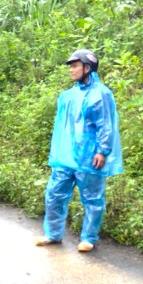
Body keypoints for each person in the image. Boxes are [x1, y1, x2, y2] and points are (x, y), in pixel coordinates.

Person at [34, 49, 123, 253]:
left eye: (75, 66)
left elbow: (105, 125)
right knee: (54, 194)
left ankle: (88, 238)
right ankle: (52, 234)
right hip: (66, 156)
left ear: (87, 68)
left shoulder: (101, 94)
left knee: (92, 198)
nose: (71, 70)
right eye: (71, 66)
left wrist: (102, 150)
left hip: (90, 156)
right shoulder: (68, 96)